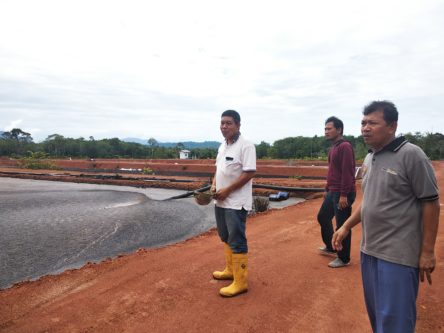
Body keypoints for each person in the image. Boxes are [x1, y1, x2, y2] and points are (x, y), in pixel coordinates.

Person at [332, 101, 440, 332]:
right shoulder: (371, 157)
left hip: (398, 256)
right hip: (369, 251)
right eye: (363, 122)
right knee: (377, 317)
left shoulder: (412, 155)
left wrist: (428, 251)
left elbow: (430, 202)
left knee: (395, 321)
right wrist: (346, 226)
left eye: (372, 122)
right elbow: (369, 201)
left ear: (392, 126)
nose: (365, 128)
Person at [211, 110, 256, 297]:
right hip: (220, 201)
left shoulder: (246, 146)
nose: (224, 126)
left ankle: (241, 281)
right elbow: (218, 170)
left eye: (228, 123)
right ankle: (230, 271)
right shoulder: (223, 146)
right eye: (222, 123)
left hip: (236, 203)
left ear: (238, 125)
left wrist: (228, 190)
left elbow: (249, 173)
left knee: (237, 240)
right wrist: (213, 185)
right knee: (225, 237)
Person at [317, 116, 356, 268]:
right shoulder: (333, 148)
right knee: (323, 217)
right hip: (333, 191)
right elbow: (332, 171)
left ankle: (343, 258)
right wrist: (327, 188)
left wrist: (344, 195)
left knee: (342, 225)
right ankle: (331, 246)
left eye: (329, 129)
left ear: (339, 130)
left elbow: (348, 173)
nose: (326, 131)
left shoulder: (345, 146)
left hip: (342, 193)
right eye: (325, 129)